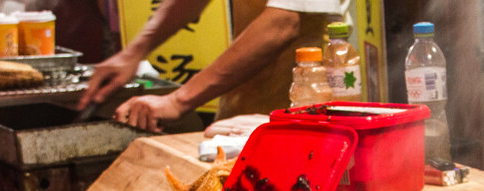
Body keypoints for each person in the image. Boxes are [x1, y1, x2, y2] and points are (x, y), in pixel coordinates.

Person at [79, 0, 348, 132]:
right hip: (242, 112)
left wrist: (177, 101)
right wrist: (134, 53)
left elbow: (283, 23)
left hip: (309, 114)